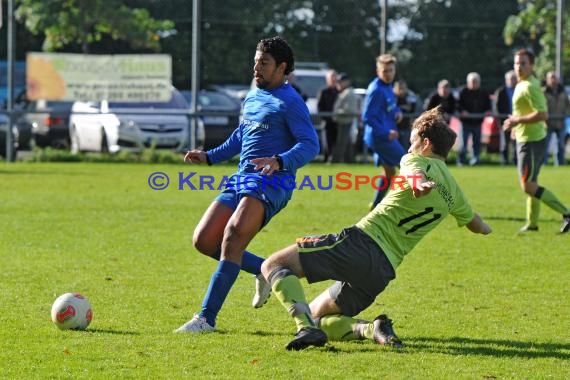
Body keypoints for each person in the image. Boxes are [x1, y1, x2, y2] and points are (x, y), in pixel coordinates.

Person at [259, 106, 492, 350]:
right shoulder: (454, 191)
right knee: (316, 317)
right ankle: (371, 329)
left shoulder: (414, 159)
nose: (408, 146)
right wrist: (487, 228)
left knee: (273, 265)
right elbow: (476, 225)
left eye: (411, 141)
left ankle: (304, 329)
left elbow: (413, 174)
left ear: (425, 143)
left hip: (362, 243)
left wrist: (419, 184)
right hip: (382, 271)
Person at [174, 36, 320, 333]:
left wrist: (279, 160)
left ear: (282, 68)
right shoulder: (253, 96)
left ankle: (205, 319)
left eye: (264, 63)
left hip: (271, 182)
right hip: (241, 178)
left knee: (233, 236)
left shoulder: (292, 102)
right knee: (204, 240)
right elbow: (241, 137)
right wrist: (210, 156)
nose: (256, 68)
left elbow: (310, 144)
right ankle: (265, 269)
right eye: (255, 62)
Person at [503, 49, 570, 234]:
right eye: (517, 63)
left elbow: (543, 114)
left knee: (528, 185)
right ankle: (532, 224)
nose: (519, 66)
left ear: (532, 65)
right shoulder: (520, 84)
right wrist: (516, 127)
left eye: (523, 63)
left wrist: (517, 121)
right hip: (525, 137)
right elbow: (523, 112)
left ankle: (566, 213)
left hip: (532, 141)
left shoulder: (531, 86)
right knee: (532, 182)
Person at [362, 54, 406, 210]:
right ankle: (406, 206)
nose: (388, 74)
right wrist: (386, 132)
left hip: (383, 135)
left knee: (390, 173)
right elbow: (367, 117)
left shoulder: (387, 87)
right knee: (408, 165)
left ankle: (375, 205)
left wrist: (398, 111)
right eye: (385, 71)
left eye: (391, 70)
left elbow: (390, 107)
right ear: (377, 71)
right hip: (380, 137)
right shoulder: (376, 90)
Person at [458, 72, 491, 166]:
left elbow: (488, 105)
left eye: (475, 81)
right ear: (468, 82)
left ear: (479, 82)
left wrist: (487, 111)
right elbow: (458, 105)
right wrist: (463, 111)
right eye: (472, 81)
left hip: (478, 122)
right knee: (463, 144)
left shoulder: (483, 93)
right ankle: (461, 161)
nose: (474, 83)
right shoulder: (463, 91)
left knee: (477, 144)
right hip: (465, 122)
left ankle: (475, 160)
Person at [331, 73, 359, 163]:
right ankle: (349, 161)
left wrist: (336, 113)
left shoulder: (349, 93)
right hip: (343, 121)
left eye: (340, 82)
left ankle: (336, 161)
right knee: (346, 143)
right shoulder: (345, 92)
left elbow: (349, 109)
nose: (338, 84)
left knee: (342, 143)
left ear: (346, 82)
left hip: (346, 121)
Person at [543, 71, 569, 165]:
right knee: (545, 145)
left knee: (561, 145)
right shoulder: (544, 92)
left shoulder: (563, 91)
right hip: (547, 123)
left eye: (554, 77)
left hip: (560, 122)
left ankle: (560, 163)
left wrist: (565, 114)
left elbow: (567, 105)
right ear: (547, 79)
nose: (553, 80)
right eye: (551, 77)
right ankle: (544, 164)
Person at [494, 70, 518, 165]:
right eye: (510, 79)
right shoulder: (500, 92)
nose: (512, 81)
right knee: (504, 143)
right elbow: (496, 107)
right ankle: (504, 161)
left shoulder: (519, 90)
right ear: (506, 80)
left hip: (517, 121)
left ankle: (516, 161)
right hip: (505, 121)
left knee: (516, 142)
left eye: (514, 78)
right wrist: (501, 120)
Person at [317, 69, 339, 162]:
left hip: (337, 122)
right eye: (331, 77)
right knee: (327, 142)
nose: (333, 79)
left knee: (336, 141)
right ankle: (327, 159)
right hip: (326, 121)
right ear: (327, 79)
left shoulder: (339, 92)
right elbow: (319, 107)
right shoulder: (323, 91)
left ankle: (334, 159)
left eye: (334, 77)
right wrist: (326, 117)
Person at [393, 79, 419, 151]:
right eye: (399, 88)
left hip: (406, 126)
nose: (401, 90)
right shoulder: (391, 96)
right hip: (392, 126)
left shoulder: (410, 96)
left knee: (405, 147)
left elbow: (412, 111)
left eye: (403, 88)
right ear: (395, 88)